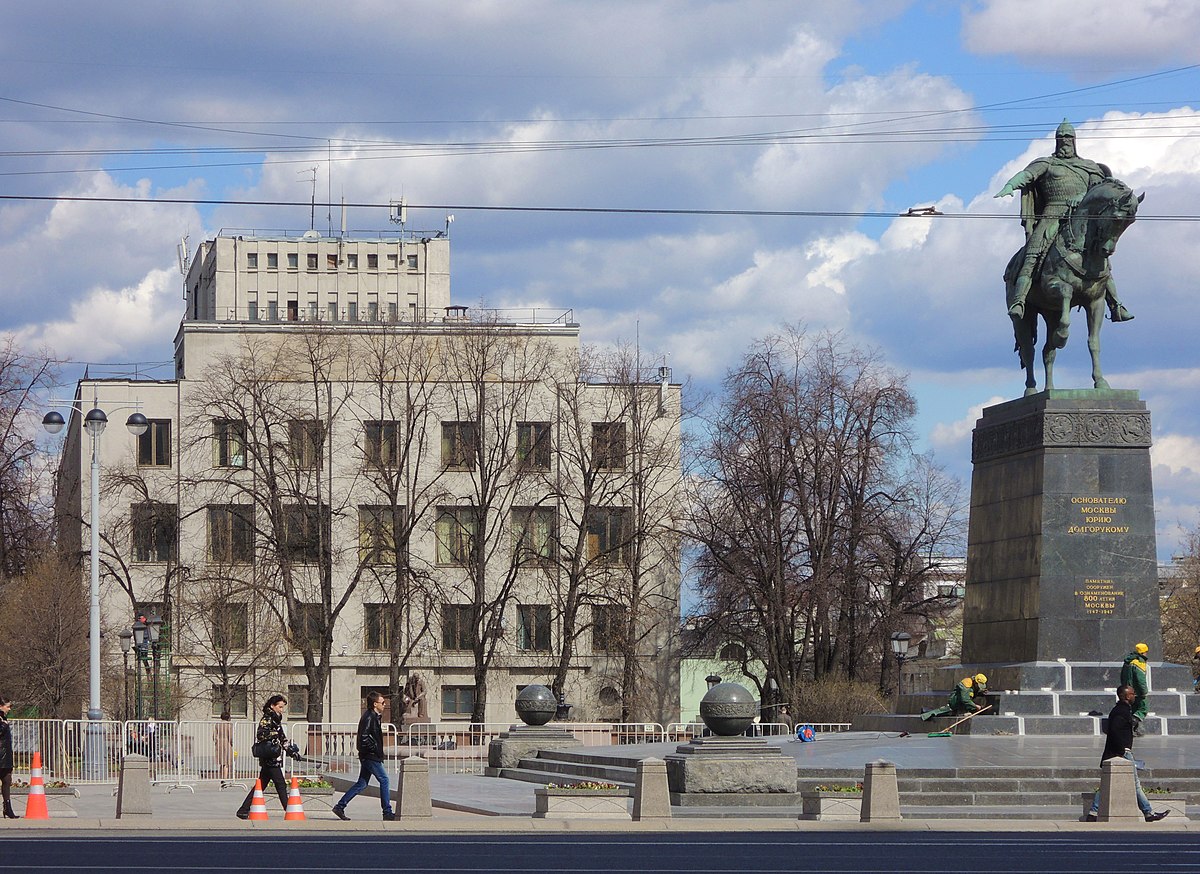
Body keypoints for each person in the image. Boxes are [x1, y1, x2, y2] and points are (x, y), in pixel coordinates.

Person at [995, 119, 1133, 322]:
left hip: (1082, 218)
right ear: (1056, 141)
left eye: (1068, 138)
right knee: (1033, 252)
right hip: (1052, 214)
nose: (1065, 142)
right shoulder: (1047, 164)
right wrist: (1010, 185)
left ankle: (1115, 304)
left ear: (1075, 141)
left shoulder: (1089, 167)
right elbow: (1028, 175)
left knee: (1101, 257)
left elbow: (1100, 190)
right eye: (1061, 138)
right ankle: (1019, 300)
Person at [1086, 685, 1169, 822]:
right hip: (1122, 753)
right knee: (1135, 784)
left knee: (1105, 784)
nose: (1134, 696)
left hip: (1116, 752)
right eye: (1132, 694)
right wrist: (1123, 750)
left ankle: (1093, 813)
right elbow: (1115, 731)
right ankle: (1148, 813)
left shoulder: (1120, 710)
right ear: (1126, 696)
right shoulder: (1121, 711)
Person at [333, 691, 395, 821]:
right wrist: (374, 749)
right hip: (370, 756)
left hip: (369, 755)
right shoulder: (369, 717)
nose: (384, 705)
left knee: (362, 783)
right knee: (384, 780)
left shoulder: (374, 716)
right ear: (375, 704)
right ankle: (387, 812)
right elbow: (364, 738)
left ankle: (340, 806)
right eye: (382, 703)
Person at [235, 694, 297, 820]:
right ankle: (289, 810)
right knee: (280, 784)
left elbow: (282, 738)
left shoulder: (276, 719)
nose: (282, 710)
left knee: (261, 785)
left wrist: (292, 752)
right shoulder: (267, 719)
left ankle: (243, 810)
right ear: (272, 706)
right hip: (269, 757)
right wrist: (274, 735)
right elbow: (261, 734)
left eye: (283, 707)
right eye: (280, 707)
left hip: (272, 757)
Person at [920, 674, 988, 721]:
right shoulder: (966, 684)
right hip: (955, 701)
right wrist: (975, 706)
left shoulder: (973, 685)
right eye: (978, 685)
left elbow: (972, 693)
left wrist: (980, 693)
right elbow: (965, 699)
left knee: (947, 712)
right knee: (947, 711)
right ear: (975, 682)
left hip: (961, 703)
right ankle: (927, 712)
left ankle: (926, 711)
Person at [1120, 643, 1150, 735]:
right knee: (1143, 708)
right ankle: (1129, 726)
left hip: (1127, 690)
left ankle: (1133, 731)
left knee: (1133, 709)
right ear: (1143, 652)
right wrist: (1144, 691)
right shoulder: (1139, 662)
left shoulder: (1128, 661)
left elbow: (1122, 675)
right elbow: (1141, 680)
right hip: (1137, 692)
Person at [1, 696, 16, 819]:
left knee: (7, 780)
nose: (9, 709)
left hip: (5, 756)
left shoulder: (3, 718)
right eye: (7, 706)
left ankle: (7, 807)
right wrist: (4, 725)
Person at [213, 710, 235, 784]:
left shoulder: (217, 724)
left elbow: (214, 736)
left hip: (219, 743)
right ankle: (225, 779)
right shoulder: (229, 725)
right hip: (227, 743)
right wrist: (232, 743)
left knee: (221, 762)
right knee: (226, 763)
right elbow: (231, 737)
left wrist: (216, 742)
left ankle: (221, 778)